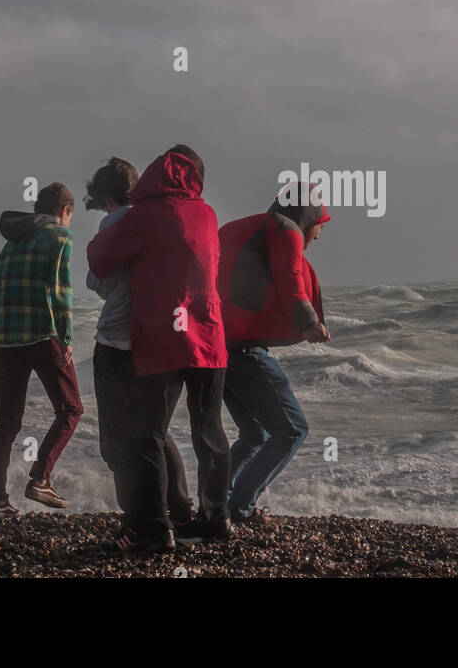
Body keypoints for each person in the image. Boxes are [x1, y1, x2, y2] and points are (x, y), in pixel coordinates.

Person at [87, 145, 230, 552]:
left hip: (166, 336)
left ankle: (154, 528)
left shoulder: (146, 215)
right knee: (210, 430)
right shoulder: (207, 213)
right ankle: (215, 519)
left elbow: (99, 260)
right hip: (211, 334)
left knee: (147, 434)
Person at [84, 156, 194, 528]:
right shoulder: (166, 218)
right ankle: (180, 512)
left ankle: (141, 520)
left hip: (118, 341)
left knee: (117, 444)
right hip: (165, 339)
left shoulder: (114, 222)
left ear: (104, 198)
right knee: (156, 433)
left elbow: (96, 280)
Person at [217, 183, 330, 522]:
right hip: (244, 350)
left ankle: (216, 503)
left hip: (217, 348)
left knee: (254, 434)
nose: (318, 236)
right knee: (292, 430)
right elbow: (289, 275)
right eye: (319, 224)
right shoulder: (284, 228)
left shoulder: (239, 229)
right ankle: (239, 507)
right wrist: (307, 322)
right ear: (306, 217)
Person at [0, 182, 83, 516]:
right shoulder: (60, 237)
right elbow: (59, 291)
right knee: (71, 409)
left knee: (7, 424)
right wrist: (67, 337)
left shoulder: (10, 244)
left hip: (6, 339)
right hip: (43, 334)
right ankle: (40, 478)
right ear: (65, 211)